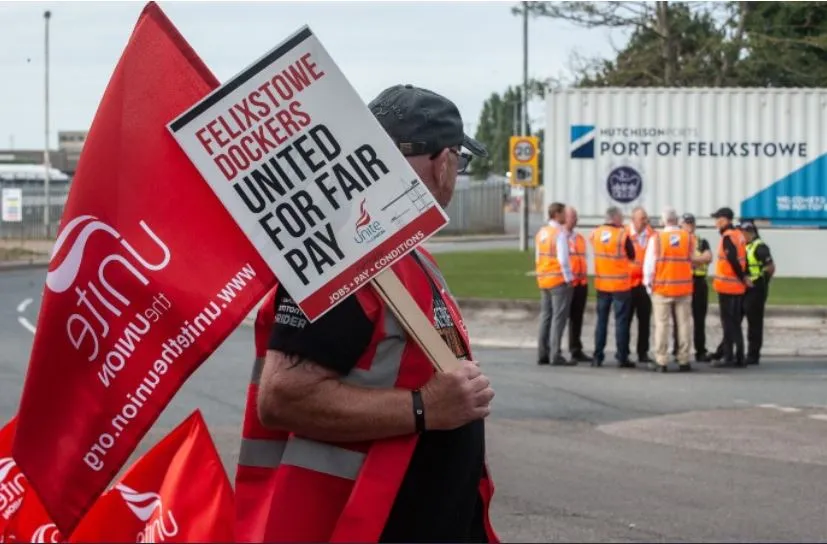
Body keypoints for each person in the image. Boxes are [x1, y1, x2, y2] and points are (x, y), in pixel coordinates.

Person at [252, 84, 499, 543]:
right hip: (368, 523)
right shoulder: (343, 255)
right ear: (444, 161)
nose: (456, 174)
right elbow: (282, 397)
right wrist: (426, 407)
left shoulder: (406, 253)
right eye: (459, 163)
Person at [643, 208, 695, 372]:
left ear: (663, 221)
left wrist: (647, 284)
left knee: (661, 325)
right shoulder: (687, 238)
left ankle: (662, 360)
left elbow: (649, 264)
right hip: (683, 287)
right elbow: (691, 259)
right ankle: (684, 359)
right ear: (677, 220)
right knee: (684, 324)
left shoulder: (657, 238)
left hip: (662, 288)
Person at [590, 206, 636, 368]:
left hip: (602, 284)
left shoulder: (595, 233)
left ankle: (597, 356)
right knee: (621, 322)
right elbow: (632, 255)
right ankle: (622, 357)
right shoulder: (623, 235)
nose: (623, 219)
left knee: (601, 321)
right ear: (615, 218)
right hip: (620, 285)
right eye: (621, 217)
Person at [709, 207, 751, 368]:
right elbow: (743, 259)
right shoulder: (739, 235)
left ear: (726, 220)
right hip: (736, 286)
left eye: (718, 219)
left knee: (728, 324)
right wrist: (744, 278)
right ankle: (739, 356)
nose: (716, 222)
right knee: (735, 323)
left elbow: (733, 260)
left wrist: (742, 277)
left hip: (728, 287)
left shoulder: (728, 237)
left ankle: (729, 357)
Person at [535, 202, 575, 366]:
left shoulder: (542, 232)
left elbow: (538, 257)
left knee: (545, 316)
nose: (566, 216)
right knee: (559, 318)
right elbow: (563, 259)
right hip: (558, 279)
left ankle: (542, 352)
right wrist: (568, 278)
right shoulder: (559, 234)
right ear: (557, 214)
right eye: (564, 213)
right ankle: (555, 354)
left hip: (544, 278)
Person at [671, 213, 713, 362]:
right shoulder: (676, 240)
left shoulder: (701, 242)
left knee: (699, 319)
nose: (689, 225)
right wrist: (697, 260)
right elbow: (681, 259)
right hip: (683, 282)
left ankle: (700, 351)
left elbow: (709, 257)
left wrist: (691, 260)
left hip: (699, 282)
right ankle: (678, 350)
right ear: (680, 225)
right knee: (680, 320)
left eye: (691, 222)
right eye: (686, 222)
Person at [742, 221, 775, 365]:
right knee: (735, 320)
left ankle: (753, 354)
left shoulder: (760, 247)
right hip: (744, 288)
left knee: (754, 323)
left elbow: (770, 267)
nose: (742, 235)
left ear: (751, 233)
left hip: (756, 288)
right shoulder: (746, 246)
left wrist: (763, 281)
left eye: (744, 233)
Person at [565, 206, 593, 363]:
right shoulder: (560, 237)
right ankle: (553, 349)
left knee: (577, 318)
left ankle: (576, 349)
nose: (576, 220)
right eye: (572, 217)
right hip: (567, 283)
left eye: (576, 217)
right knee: (561, 318)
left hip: (581, 283)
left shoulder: (579, 238)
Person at [627, 206, 655, 363]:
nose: (645, 221)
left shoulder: (652, 234)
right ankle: (623, 351)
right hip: (628, 284)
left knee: (644, 321)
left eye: (646, 218)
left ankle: (642, 352)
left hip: (645, 285)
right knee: (626, 320)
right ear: (633, 220)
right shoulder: (624, 234)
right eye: (641, 219)